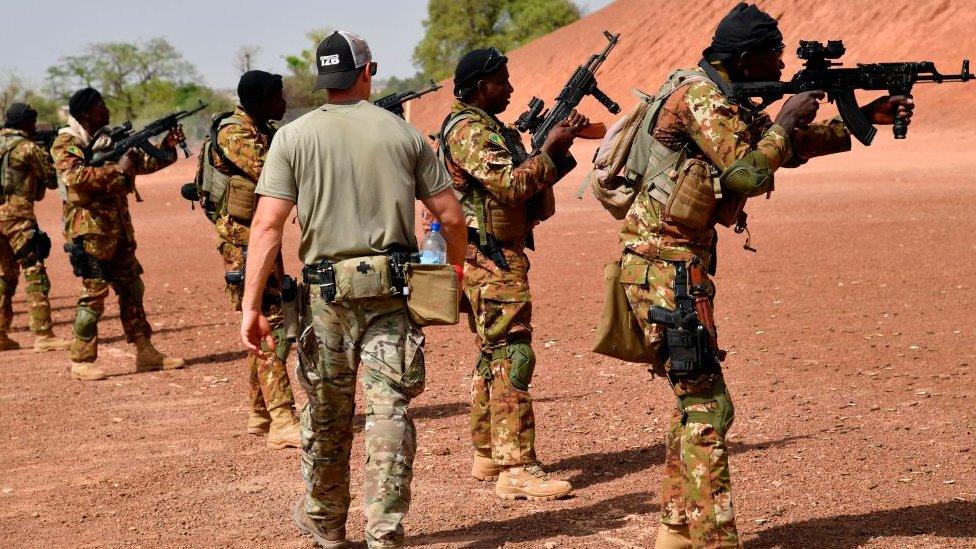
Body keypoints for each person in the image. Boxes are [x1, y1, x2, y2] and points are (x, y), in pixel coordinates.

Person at [614, 4, 914, 548]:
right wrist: (783, 118)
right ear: (746, 56)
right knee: (707, 405)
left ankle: (677, 529)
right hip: (663, 267)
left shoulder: (720, 96)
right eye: (773, 58)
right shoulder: (703, 100)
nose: (778, 68)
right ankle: (712, 538)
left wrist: (861, 114)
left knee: (696, 402)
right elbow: (749, 171)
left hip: (677, 265)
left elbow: (780, 150)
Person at [240, 31, 465, 549]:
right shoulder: (403, 135)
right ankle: (384, 532)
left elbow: (267, 227)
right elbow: (450, 217)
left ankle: (325, 523)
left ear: (322, 78)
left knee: (325, 413)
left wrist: (252, 307)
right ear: (369, 71)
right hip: (391, 294)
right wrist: (451, 271)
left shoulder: (291, 138)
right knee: (389, 411)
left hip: (325, 301)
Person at [438, 47, 585, 501]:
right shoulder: (467, 130)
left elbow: (525, 186)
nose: (510, 88)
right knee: (513, 354)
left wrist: (552, 155)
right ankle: (517, 467)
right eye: (502, 80)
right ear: (481, 86)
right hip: (490, 258)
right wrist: (550, 149)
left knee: (493, 352)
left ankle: (490, 451)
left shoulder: (486, 127)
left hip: (493, 254)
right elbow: (512, 184)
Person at [51, 88, 186, 381]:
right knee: (94, 295)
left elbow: (146, 164)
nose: (107, 111)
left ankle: (145, 351)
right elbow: (74, 176)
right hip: (89, 232)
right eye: (101, 106)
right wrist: (116, 170)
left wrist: (167, 145)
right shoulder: (66, 142)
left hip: (119, 229)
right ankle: (82, 359)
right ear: (85, 112)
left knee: (132, 290)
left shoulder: (107, 139)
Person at [202, 70, 300, 449]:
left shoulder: (260, 127)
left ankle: (259, 412)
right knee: (270, 319)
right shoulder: (235, 133)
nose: (284, 101)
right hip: (242, 241)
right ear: (258, 100)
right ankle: (281, 417)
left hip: (259, 237)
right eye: (278, 95)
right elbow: (273, 172)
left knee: (263, 317)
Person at [0, 103, 71, 352]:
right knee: (34, 271)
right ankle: (43, 335)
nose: (35, 126)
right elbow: (52, 178)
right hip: (18, 217)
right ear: (24, 123)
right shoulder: (27, 147)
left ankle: (0, 333)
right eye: (33, 121)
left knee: (5, 275)